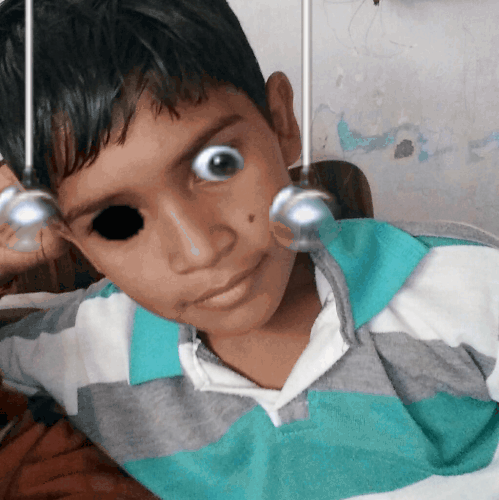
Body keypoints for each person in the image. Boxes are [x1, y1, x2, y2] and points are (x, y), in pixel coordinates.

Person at [0, 0, 498, 498]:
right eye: (115, 219)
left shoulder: (466, 291)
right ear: (66, 234)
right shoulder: (86, 353)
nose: (199, 249)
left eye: (218, 165)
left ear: (281, 122)